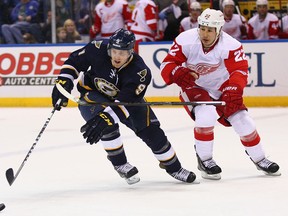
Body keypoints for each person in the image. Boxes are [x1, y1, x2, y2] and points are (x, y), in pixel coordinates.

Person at [51, 28, 197, 184]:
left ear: (130, 52)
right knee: (107, 127)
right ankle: (120, 164)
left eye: (122, 53)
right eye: (114, 51)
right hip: (92, 93)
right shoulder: (97, 48)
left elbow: (124, 103)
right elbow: (74, 61)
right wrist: (64, 80)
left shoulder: (140, 72)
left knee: (152, 131)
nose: (116, 56)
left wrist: (106, 116)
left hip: (127, 101)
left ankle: (175, 168)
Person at [160, 8, 281, 180]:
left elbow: (239, 71)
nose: (205, 34)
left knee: (242, 119)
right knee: (206, 115)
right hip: (194, 86)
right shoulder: (185, 40)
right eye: (202, 28)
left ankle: (260, 158)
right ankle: (205, 159)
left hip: (221, 86)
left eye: (210, 30)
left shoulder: (230, 45)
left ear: (219, 30)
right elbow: (167, 65)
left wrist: (234, 89)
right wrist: (177, 73)